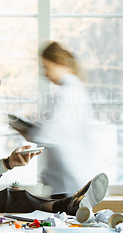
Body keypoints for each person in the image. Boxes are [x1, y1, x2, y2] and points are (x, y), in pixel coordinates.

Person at [12, 41, 102, 199]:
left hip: (69, 185)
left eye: (47, 68)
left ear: (58, 64)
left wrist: (21, 127)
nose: (45, 74)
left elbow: (44, 135)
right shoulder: (76, 90)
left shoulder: (66, 94)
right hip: (71, 182)